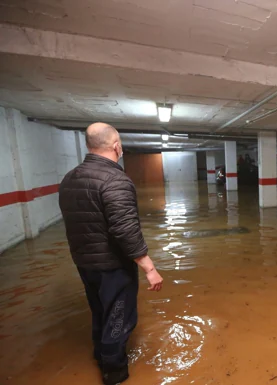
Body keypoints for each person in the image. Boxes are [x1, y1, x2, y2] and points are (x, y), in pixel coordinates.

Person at [58, 122, 163, 385]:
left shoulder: (70, 178)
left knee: (100, 310)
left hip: (84, 262)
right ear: (116, 145)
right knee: (119, 317)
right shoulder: (116, 179)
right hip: (112, 265)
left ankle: (99, 355)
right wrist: (149, 268)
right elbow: (124, 229)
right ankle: (114, 372)